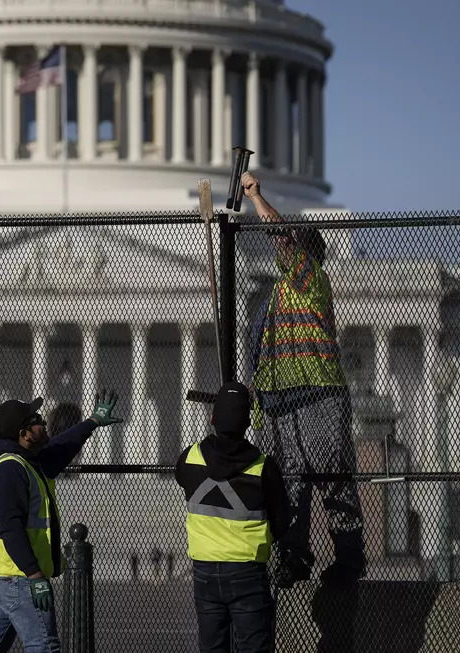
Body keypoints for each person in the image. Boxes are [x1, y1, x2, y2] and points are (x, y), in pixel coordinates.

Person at [241, 171, 366, 586]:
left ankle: (349, 559)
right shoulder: (277, 294)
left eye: (291, 243)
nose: (282, 248)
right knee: (289, 482)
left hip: (316, 391)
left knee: (330, 474)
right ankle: (294, 557)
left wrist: (257, 197)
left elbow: (281, 239)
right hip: (282, 399)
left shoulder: (311, 279)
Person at [0, 391, 122, 653]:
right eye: (37, 419)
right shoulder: (10, 470)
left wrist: (93, 421)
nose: (45, 421)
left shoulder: (27, 462)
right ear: (24, 434)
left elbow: (62, 447)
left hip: (3, 578)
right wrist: (35, 576)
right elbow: (10, 530)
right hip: (19, 579)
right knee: (45, 646)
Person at [175, 381, 288, 653]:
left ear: (212, 418)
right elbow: (281, 521)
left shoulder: (189, 459)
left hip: (204, 570)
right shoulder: (264, 467)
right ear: (247, 422)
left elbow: (183, 480)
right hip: (247, 570)